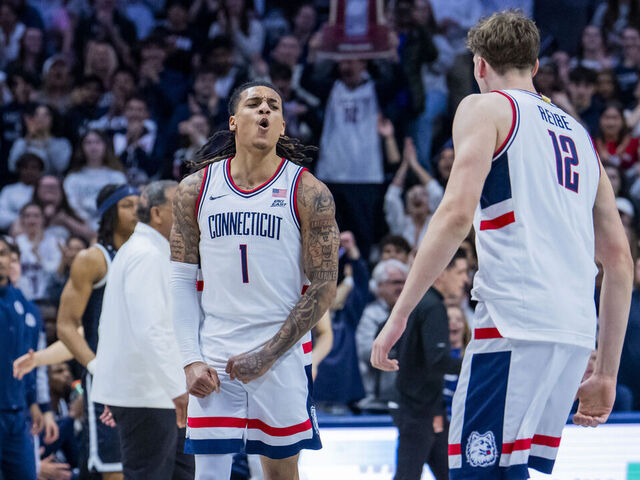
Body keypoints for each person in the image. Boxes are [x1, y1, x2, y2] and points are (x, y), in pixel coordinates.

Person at [371, 11, 633, 479]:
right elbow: (618, 260)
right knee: (508, 470)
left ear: (479, 66)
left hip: (516, 321)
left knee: (475, 471)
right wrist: (607, 372)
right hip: (572, 334)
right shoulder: (581, 136)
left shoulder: (484, 107)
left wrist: (400, 313)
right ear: (535, 67)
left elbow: (454, 215)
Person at [170, 81, 339, 479]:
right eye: (254, 104)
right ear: (233, 122)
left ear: (282, 126)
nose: (264, 110)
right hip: (215, 352)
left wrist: (268, 354)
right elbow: (179, 283)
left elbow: (323, 286)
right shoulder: (193, 190)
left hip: (280, 353)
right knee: (208, 473)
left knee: (279, 473)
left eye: (273, 106)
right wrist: (190, 360)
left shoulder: (309, 191)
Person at [13, 183, 139, 480]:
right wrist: (41, 358)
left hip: (148, 378)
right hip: (109, 383)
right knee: (114, 470)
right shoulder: (95, 259)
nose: (137, 211)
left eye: (139, 204)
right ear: (109, 213)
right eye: (127, 205)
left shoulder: (148, 255)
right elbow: (76, 329)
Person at [91, 181, 193, 480]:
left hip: (156, 393)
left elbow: (112, 325)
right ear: (158, 213)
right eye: (181, 204)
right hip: (152, 395)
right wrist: (178, 391)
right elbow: (151, 330)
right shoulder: (146, 255)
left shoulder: (145, 251)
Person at [392, 249, 467, 480]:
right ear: (442, 272)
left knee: (449, 474)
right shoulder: (433, 306)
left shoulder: (418, 301)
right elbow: (438, 361)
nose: (466, 279)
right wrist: (476, 366)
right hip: (419, 412)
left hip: (424, 410)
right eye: (461, 272)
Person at [0, 235, 46, 479]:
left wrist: (35, 402)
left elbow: (32, 360)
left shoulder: (26, 307)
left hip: (18, 414)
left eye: (3, 253)